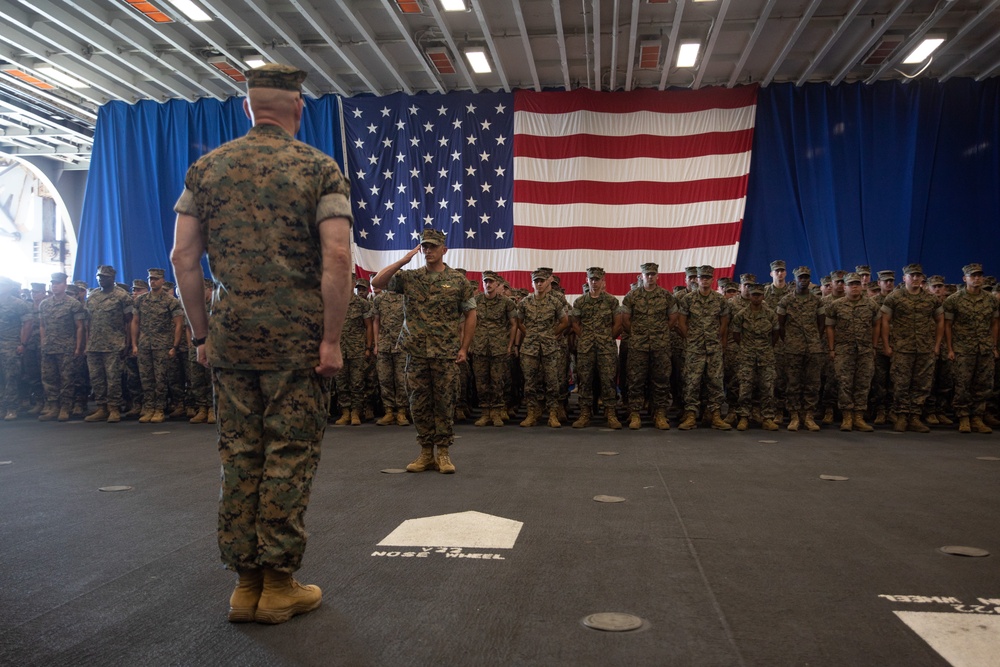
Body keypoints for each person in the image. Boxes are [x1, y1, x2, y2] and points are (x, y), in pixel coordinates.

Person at [171, 63, 353, 624]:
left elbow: (182, 258)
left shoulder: (206, 169)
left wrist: (202, 334)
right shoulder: (320, 169)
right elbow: (338, 258)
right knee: (288, 456)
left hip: (231, 337)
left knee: (240, 456)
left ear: (248, 108)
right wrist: (330, 338)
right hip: (295, 341)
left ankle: (244, 585)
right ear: (299, 108)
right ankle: (277, 585)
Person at [371, 229, 476, 472]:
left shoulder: (458, 281)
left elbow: (471, 314)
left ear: (444, 250)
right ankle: (426, 452)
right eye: (424, 247)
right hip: (415, 352)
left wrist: (464, 347)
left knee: (445, 402)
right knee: (418, 403)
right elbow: (377, 282)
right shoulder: (410, 278)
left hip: (445, 352)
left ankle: (444, 453)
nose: (428, 251)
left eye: (433, 246)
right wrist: (403, 260)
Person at [879, 264, 943, 432]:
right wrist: (886, 345)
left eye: (918, 275)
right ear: (904, 278)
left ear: (922, 278)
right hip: (902, 349)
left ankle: (914, 417)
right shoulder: (894, 297)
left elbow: (940, 321)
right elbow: (885, 321)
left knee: (922, 384)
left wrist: (936, 345)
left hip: (925, 349)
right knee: (901, 383)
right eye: (912, 275)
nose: (915, 278)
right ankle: (901, 416)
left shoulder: (931, 299)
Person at [943, 263, 999, 433]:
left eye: (979, 276)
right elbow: (947, 325)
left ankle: (977, 417)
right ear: (964, 279)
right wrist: (950, 349)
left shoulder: (990, 299)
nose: (977, 279)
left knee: (983, 384)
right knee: (962, 384)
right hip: (963, 348)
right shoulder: (954, 300)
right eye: (973, 276)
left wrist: (993, 346)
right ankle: (964, 417)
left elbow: (995, 323)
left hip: (984, 348)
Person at [620, 262, 677, 430]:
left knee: (661, 380)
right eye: (647, 274)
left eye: (653, 274)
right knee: (636, 379)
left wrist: (661, 332)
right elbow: (625, 319)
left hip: (660, 345)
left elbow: (673, 318)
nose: (650, 277)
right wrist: (637, 335)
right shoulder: (632, 296)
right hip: (638, 346)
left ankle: (659, 413)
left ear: (657, 276)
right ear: (642, 276)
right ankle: (635, 413)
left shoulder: (666, 296)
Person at [677, 265, 731, 430]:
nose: (704, 280)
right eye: (702, 277)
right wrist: (691, 338)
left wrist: (717, 337)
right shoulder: (688, 299)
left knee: (715, 382)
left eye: (708, 277)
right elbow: (681, 322)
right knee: (692, 382)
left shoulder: (720, 299)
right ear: (697, 279)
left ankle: (715, 415)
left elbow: (724, 322)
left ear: (712, 279)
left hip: (713, 348)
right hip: (695, 348)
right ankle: (691, 415)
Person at [825, 272, 880, 432]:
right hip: (844, 350)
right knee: (845, 383)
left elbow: (877, 325)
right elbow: (830, 327)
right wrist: (832, 348)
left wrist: (874, 346)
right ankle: (847, 416)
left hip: (865, 350)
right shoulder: (836, 305)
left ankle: (859, 417)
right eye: (851, 284)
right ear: (845, 287)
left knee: (863, 383)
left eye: (857, 284)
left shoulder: (871, 305)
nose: (854, 286)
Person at [570, 267, 622, 429]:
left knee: (608, 380)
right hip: (586, 348)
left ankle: (611, 413)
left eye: (597, 279)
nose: (594, 282)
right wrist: (586, 337)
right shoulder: (580, 302)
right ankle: (585, 413)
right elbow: (574, 323)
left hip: (606, 349)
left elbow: (618, 324)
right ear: (587, 280)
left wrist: (606, 338)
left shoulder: (611, 301)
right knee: (585, 381)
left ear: (603, 281)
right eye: (591, 279)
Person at [131, 268, 184, 424]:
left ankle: (159, 409)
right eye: (150, 279)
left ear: (162, 281)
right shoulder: (141, 300)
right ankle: (148, 408)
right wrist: (134, 344)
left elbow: (178, 325)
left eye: (155, 279)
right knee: (146, 378)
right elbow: (135, 322)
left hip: (163, 345)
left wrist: (174, 346)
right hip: (145, 345)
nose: (152, 281)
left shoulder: (170, 301)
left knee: (161, 379)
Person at [83, 265, 133, 423]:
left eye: (104, 277)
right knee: (96, 378)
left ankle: (114, 408)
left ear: (112, 278)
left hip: (114, 343)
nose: (101, 279)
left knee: (113, 379)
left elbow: (130, 322)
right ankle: (102, 407)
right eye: (99, 276)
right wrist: (86, 343)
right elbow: (87, 322)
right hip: (94, 344)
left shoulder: (122, 296)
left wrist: (128, 343)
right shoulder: (92, 296)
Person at [776, 266, 824, 431]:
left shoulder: (817, 301)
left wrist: (813, 338)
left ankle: (809, 416)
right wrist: (790, 340)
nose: (803, 280)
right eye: (800, 278)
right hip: (792, 348)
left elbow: (821, 324)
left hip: (813, 348)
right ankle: (795, 416)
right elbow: (780, 325)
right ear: (795, 280)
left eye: (806, 278)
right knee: (793, 383)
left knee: (812, 383)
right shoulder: (786, 301)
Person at [470, 270, 517, 427]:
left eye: (491, 282)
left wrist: (510, 345)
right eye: (486, 282)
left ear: (497, 284)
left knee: (497, 381)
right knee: (481, 382)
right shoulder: (475, 301)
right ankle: (485, 413)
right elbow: (468, 322)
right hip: (479, 347)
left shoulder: (506, 302)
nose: (488, 285)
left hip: (499, 348)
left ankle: (496, 412)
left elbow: (513, 324)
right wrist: (468, 344)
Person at [730, 284, 779, 431]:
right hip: (747, 355)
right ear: (749, 296)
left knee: (767, 387)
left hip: (766, 355)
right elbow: (736, 335)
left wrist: (766, 346)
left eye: (759, 295)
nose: (756, 297)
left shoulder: (770, 314)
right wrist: (747, 346)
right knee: (745, 386)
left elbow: (775, 334)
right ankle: (743, 417)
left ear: (763, 296)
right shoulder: (741, 315)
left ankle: (767, 418)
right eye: (753, 295)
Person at [38, 272, 85, 422]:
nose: (55, 286)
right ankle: (53, 407)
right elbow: (42, 326)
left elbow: (79, 327)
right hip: (49, 347)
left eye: (58, 283)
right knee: (49, 378)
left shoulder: (73, 304)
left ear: (65, 284)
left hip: (66, 347)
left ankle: (65, 407)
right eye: (53, 283)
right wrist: (43, 342)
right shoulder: (44, 304)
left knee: (66, 379)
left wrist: (78, 347)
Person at [0, 276, 32, 420]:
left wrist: (22, 344)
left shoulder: (18, 304)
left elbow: (27, 323)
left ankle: (11, 407)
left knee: (10, 377)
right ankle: (1, 407)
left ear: (8, 287)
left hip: (10, 344)